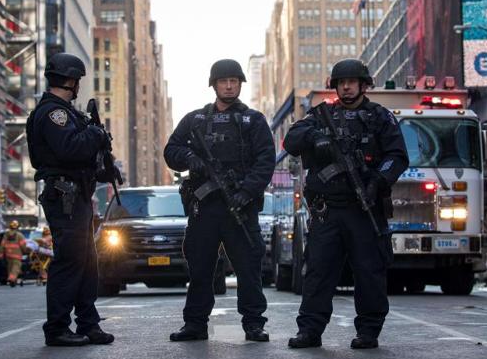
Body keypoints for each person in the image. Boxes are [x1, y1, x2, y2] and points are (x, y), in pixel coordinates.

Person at [284, 59, 408, 349]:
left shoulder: (379, 117)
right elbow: (291, 140)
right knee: (318, 272)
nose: (347, 87)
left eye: (352, 82)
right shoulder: (321, 115)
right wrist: (315, 137)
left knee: (369, 272)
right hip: (328, 210)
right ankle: (310, 331)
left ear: (364, 85)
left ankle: (368, 331)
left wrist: (378, 180)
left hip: (364, 209)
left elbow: (397, 155)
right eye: (341, 82)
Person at [164, 59, 275, 342]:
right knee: (200, 269)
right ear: (214, 84)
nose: (229, 85)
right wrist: (190, 159)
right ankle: (195, 324)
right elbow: (171, 151)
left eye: (234, 81)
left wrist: (246, 192)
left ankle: (253, 324)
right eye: (224, 81)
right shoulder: (196, 119)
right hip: (205, 208)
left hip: (240, 207)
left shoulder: (253, 120)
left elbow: (265, 161)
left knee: (248, 269)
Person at [26, 52, 113, 347]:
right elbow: (70, 149)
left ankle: (89, 323)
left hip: (77, 194)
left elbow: (83, 152)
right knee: (70, 261)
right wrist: (95, 134)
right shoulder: (54, 113)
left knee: (87, 262)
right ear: (71, 80)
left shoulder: (66, 111)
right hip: (65, 195)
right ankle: (57, 327)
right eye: (77, 81)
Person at [0, 220, 26, 287]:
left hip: (8, 255)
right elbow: (23, 245)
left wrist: (1, 254)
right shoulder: (19, 235)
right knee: (15, 268)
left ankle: (13, 281)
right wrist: (25, 251)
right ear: (17, 227)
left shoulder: (6, 235)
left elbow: (2, 245)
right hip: (17, 255)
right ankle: (12, 279)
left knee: (10, 268)